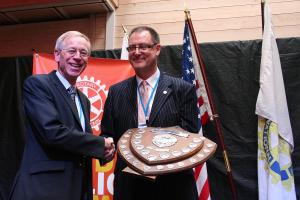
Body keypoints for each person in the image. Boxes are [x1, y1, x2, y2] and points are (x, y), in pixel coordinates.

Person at [9, 31, 115, 200]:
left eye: (83, 53)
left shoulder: (83, 99)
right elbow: (52, 132)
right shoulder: (38, 84)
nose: (78, 57)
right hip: (43, 189)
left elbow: (79, 142)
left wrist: (103, 153)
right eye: (71, 51)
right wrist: (100, 144)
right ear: (57, 55)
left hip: (77, 188)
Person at [101, 26, 199, 200]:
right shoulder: (116, 92)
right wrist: (106, 146)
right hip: (130, 185)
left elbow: (190, 137)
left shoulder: (182, 89)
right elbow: (108, 133)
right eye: (132, 48)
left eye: (143, 46)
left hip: (173, 185)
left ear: (157, 49)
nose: (137, 52)